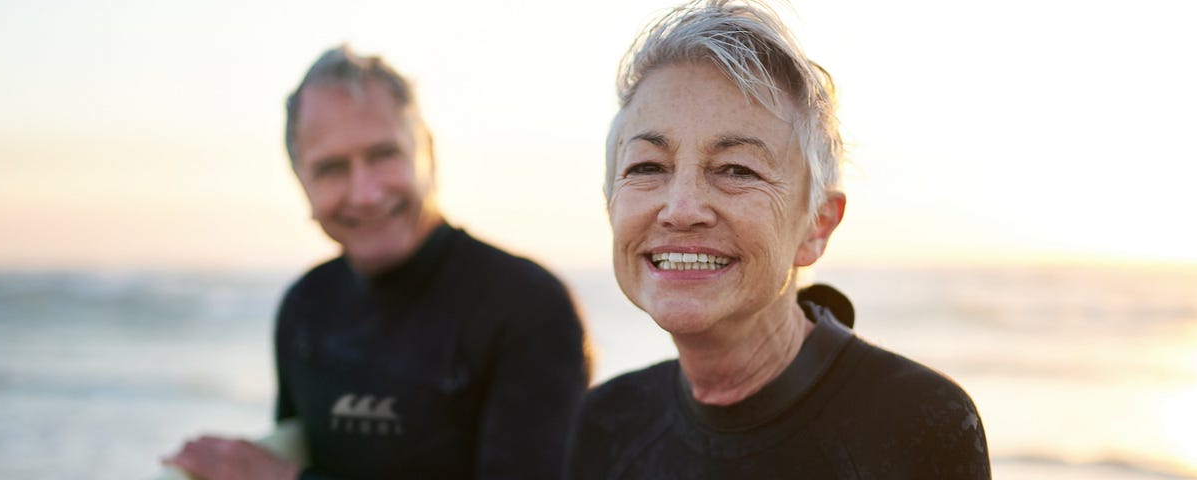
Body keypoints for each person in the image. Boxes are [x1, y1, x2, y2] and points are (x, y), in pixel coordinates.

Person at [563, 1, 990, 478]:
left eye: (736, 170)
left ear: (818, 226)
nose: (681, 209)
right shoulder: (606, 422)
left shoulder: (918, 423)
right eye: (647, 167)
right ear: (610, 206)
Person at [164, 46, 592, 480]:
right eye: (331, 168)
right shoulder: (306, 309)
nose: (365, 193)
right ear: (301, 183)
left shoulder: (527, 307)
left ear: (428, 153)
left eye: (383, 155)